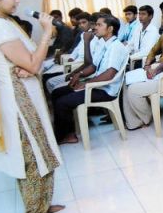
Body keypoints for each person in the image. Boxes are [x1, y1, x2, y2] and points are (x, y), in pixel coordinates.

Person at [0, 0, 64, 213]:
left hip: (27, 98)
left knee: (42, 151)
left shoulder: (4, 22)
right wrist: (47, 34)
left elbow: (28, 62)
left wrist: (29, 66)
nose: (17, 0)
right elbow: (33, 62)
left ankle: (42, 205)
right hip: (19, 105)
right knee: (33, 157)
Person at [51, 14, 128, 144]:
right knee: (57, 93)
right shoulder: (105, 44)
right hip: (97, 85)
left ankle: (69, 135)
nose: (95, 28)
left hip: (105, 90)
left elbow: (109, 74)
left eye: (99, 25)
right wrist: (79, 74)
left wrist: (87, 84)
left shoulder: (116, 47)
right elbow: (93, 66)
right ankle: (63, 130)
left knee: (62, 102)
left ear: (110, 29)